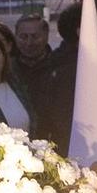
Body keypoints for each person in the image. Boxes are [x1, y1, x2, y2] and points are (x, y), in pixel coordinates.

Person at [9, 12, 70, 145]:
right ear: (16, 37)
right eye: (23, 37)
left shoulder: (59, 67)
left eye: (35, 37)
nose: (29, 43)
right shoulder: (6, 71)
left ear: (46, 36)